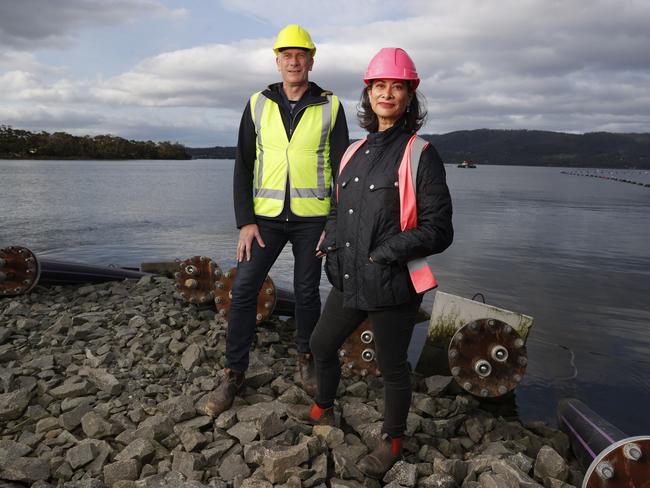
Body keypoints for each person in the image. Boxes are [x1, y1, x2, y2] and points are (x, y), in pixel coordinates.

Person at [307, 47, 453, 478]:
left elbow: (439, 229)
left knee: (392, 368)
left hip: (392, 284)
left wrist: (382, 254)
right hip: (348, 279)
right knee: (320, 345)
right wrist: (330, 242)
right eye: (379, 86)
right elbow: (336, 209)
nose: (387, 93)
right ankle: (322, 408)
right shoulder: (352, 152)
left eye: (397, 86)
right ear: (369, 94)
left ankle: (391, 441)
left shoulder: (420, 154)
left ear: (410, 96)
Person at [202, 24, 349, 418]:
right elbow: (243, 164)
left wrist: (331, 225)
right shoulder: (257, 103)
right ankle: (234, 373)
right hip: (263, 221)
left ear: (311, 60)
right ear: (278, 60)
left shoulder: (331, 106)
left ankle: (307, 357)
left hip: (311, 220)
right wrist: (244, 221)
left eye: (301, 54)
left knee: (305, 291)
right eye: (287, 54)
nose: (294, 60)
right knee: (244, 288)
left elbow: (342, 172)